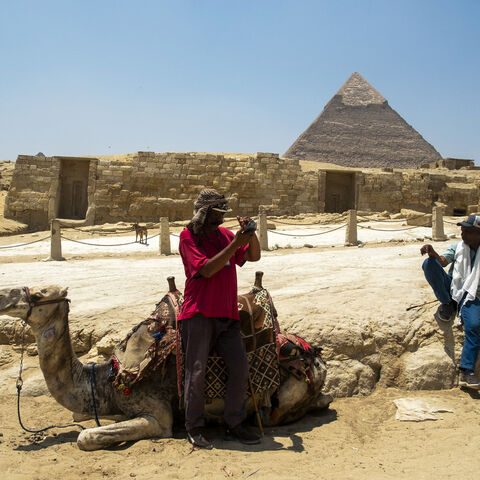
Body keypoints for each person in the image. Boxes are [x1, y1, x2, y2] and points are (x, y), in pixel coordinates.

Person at [178, 189, 261, 449]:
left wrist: (250, 234)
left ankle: (233, 424)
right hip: (199, 314)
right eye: (215, 214)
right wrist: (235, 244)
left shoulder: (225, 235)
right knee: (196, 371)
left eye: (222, 215)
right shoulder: (188, 236)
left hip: (227, 315)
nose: (220, 220)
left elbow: (253, 256)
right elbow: (206, 269)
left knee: (240, 368)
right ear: (204, 214)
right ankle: (194, 427)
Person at [420, 214, 480, 390]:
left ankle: (467, 370)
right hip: (454, 291)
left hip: (473, 295)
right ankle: (448, 303)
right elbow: (443, 261)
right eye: (462, 231)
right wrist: (433, 253)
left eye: (467, 232)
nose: (463, 235)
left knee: (474, 325)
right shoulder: (458, 247)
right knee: (429, 264)